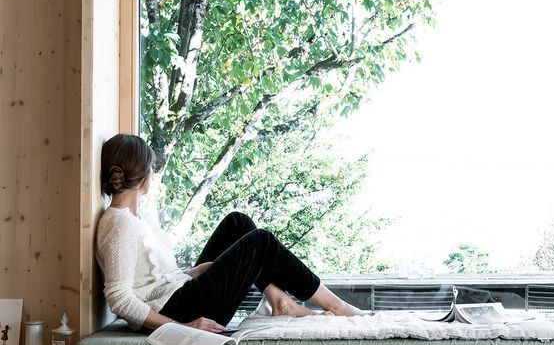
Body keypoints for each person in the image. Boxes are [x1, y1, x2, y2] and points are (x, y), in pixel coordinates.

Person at [95, 133, 360, 333]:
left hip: (179, 292)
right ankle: (337, 306)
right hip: (178, 311)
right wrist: (181, 326)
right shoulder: (119, 225)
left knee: (238, 223)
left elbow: (149, 279)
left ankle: (280, 303)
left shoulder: (137, 217)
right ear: (144, 179)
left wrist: (191, 273)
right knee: (261, 241)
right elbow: (120, 299)